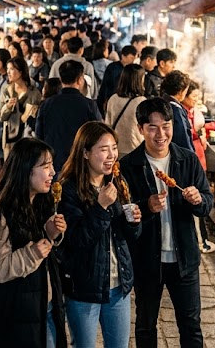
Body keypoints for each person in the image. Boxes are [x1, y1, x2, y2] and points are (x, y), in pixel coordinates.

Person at [121, 98, 214, 348]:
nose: (161, 134)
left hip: (185, 259)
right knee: (145, 325)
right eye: (152, 127)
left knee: (191, 325)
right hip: (147, 260)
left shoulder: (188, 160)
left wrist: (198, 200)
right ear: (140, 128)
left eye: (167, 126)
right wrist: (146, 207)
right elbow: (122, 216)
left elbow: (207, 203)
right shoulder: (128, 166)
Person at [0, 138, 68, 348]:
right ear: (25, 170)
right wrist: (32, 254)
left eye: (52, 165)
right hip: (13, 321)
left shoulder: (39, 203)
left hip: (43, 310)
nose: (52, 172)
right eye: (45, 166)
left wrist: (50, 234)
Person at [57, 122, 141, 348]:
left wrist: (134, 221)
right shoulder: (68, 190)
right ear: (85, 153)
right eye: (103, 149)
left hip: (118, 286)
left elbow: (126, 236)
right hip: (84, 288)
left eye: (114, 148)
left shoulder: (117, 182)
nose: (111, 155)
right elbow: (75, 241)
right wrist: (100, 207)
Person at [36, 61, 102, 176]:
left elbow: (39, 135)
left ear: (61, 80)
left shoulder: (46, 104)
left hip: (53, 163)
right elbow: (99, 135)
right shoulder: (89, 105)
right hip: (80, 163)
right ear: (80, 80)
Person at [181, 81, 215, 254]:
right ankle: (202, 241)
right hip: (193, 158)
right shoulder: (182, 113)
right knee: (198, 196)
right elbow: (192, 131)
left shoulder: (190, 111)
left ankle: (203, 239)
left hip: (198, 156)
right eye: (193, 96)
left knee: (202, 195)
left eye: (198, 97)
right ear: (184, 95)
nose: (196, 99)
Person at [0, 58, 43, 159]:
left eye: (11, 69)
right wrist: (8, 107)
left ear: (21, 71)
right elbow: (0, 116)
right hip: (9, 139)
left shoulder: (34, 93)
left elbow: (35, 119)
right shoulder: (6, 90)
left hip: (27, 139)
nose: (8, 72)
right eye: (7, 69)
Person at [106, 64, 147, 158]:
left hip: (116, 149)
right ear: (138, 80)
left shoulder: (113, 99)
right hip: (135, 148)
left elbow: (107, 125)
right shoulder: (141, 101)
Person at [159, 71, 195, 153]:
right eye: (186, 90)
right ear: (180, 91)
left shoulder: (162, 102)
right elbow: (183, 138)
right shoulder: (176, 109)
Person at [98, 45, 136, 113]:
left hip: (126, 102)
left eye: (134, 58)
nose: (133, 61)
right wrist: (104, 100)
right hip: (111, 100)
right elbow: (105, 85)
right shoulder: (112, 67)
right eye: (131, 58)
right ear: (123, 56)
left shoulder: (133, 70)